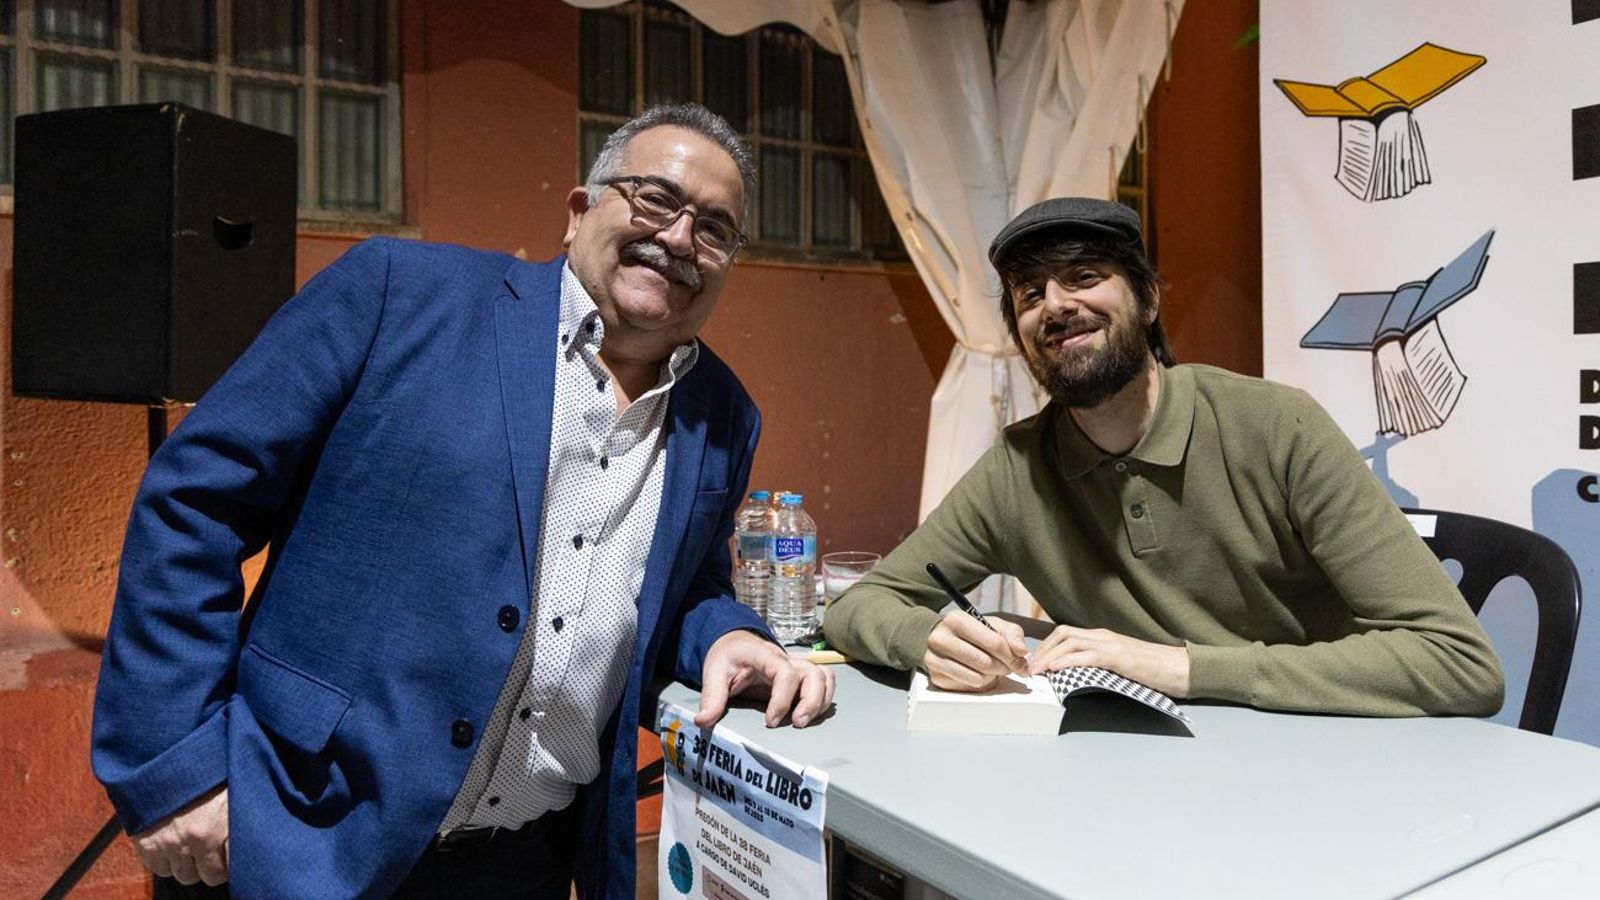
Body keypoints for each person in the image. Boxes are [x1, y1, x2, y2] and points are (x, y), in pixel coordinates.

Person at [92, 103, 834, 900]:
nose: (680, 238)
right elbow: (193, 502)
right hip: (302, 831)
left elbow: (683, 587)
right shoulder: (397, 294)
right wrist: (175, 766)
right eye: (654, 198)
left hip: (523, 862)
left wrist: (725, 634)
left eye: (715, 228)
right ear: (579, 211)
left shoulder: (724, 413)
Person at [823, 196, 1503, 717]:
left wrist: (1183, 667)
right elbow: (859, 607)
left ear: (1147, 299)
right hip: (1150, 785)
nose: (1055, 305)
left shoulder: (1276, 426)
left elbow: (1460, 664)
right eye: (1030, 295)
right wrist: (929, 640)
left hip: (1325, 770)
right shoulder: (1016, 468)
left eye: (1084, 276)